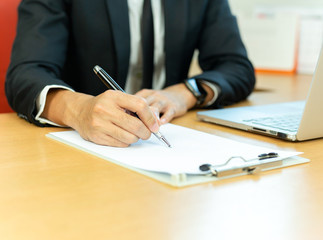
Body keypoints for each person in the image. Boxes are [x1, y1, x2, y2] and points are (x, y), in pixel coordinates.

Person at [5, 0, 255, 147]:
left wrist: (185, 93)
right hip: (82, 152)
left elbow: (236, 66)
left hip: (163, 136)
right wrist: (78, 110)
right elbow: (26, 72)